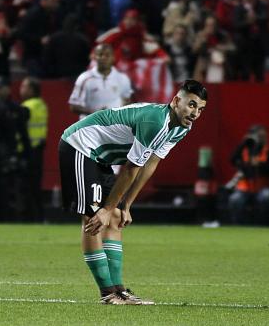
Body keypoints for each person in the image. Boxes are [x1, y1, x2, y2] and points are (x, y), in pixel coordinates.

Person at [59, 79, 208, 305]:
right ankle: (107, 293)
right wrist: (107, 208)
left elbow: (151, 163)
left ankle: (120, 291)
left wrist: (125, 205)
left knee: (116, 218)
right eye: (191, 105)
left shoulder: (182, 127)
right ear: (177, 100)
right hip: (80, 145)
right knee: (94, 218)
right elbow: (131, 168)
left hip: (100, 157)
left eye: (200, 109)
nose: (195, 113)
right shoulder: (155, 121)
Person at [228, 125, 269, 225]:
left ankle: (264, 225)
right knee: (235, 199)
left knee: (266, 197)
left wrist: (260, 165)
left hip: (261, 187)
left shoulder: (267, 151)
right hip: (245, 188)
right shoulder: (244, 149)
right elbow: (232, 160)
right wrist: (243, 144)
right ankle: (237, 226)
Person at [69, 44, 132, 118]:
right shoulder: (84, 78)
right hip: (90, 126)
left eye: (107, 55)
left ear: (113, 58)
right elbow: (73, 106)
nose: (103, 58)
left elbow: (127, 102)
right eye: (100, 55)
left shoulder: (122, 78)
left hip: (112, 127)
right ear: (94, 57)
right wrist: (96, 113)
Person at [20, 77, 48, 222]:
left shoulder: (27, 107)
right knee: (35, 186)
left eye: (24, 86)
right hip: (38, 150)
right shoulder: (42, 105)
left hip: (27, 151)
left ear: (31, 90)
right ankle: (39, 216)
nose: (21, 89)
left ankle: (28, 217)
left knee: (26, 187)